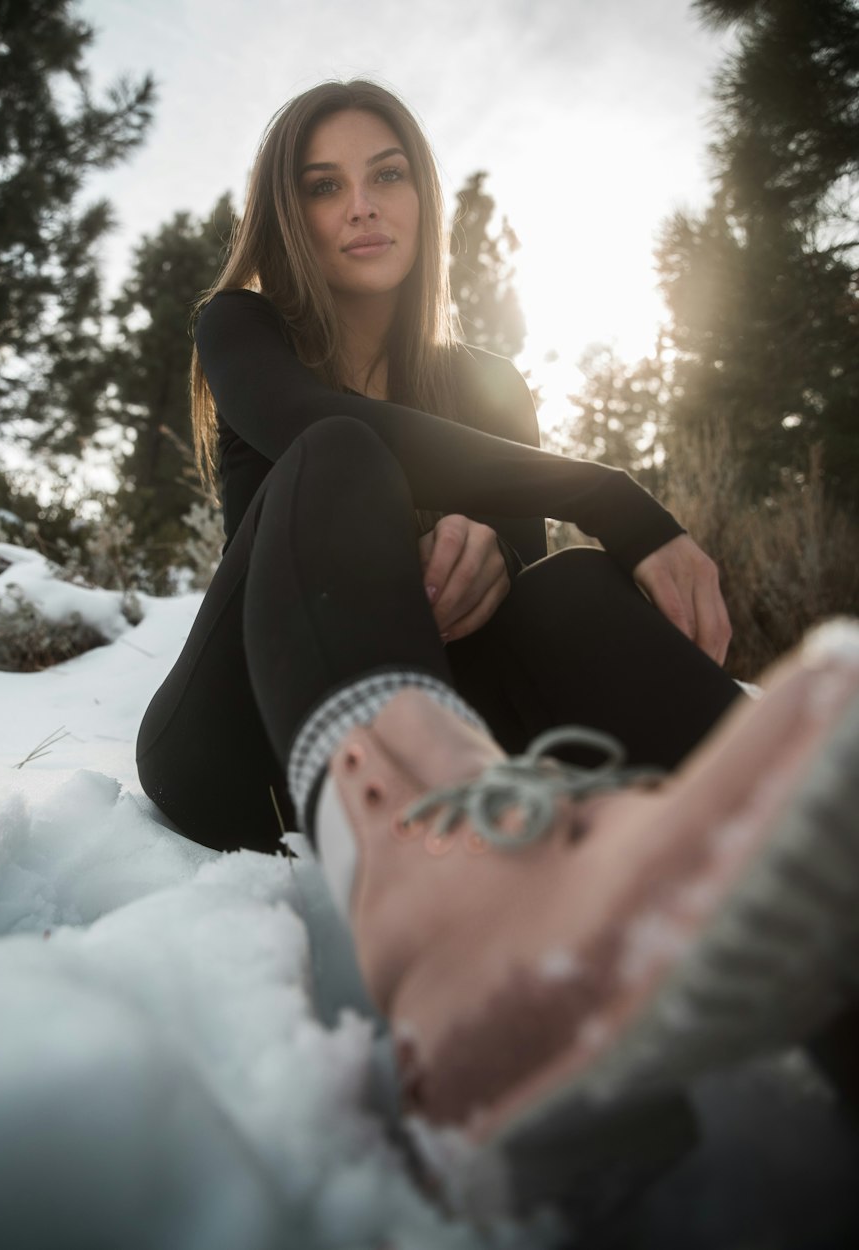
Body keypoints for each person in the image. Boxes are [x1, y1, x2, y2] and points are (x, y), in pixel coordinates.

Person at [136, 80, 859, 1210]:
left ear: (424, 198)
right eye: (323, 186)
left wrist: (490, 550)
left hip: (441, 719)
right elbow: (310, 426)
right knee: (333, 453)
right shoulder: (243, 325)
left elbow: (515, 585)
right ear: (289, 215)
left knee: (565, 590)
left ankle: (826, 896)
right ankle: (446, 956)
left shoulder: (487, 386)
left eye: (387, 174)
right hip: (240, 744)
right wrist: (615, 495)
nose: (361, 206)